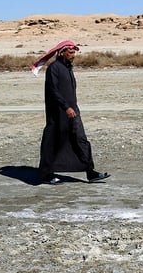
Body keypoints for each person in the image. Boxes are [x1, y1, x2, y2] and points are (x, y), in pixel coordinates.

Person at [32, 40, 109, 185]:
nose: (73, 56)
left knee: (81, 140)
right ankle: (48, 173)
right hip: (58, 114)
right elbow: (53, 91)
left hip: (73, 111)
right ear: (62, 53)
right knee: (55, 142)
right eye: (71, 53)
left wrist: (72, 107)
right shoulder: (54, 68)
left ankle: (90, 172)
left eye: (74, 53)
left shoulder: (67, 68)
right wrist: (66, 107)